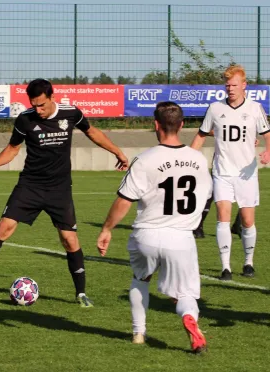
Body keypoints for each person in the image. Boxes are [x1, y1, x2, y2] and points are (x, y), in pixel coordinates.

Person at [0, 78, 129, 307]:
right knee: (3, 228)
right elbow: (12, 149)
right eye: (34, 105)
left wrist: (117, 152)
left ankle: (81, 293)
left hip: (59, 189)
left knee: (69, 239)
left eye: (42, 105)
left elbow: (92, 132)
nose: (38, 110)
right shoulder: (25, 119)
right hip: (30, 186)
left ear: (52, 96)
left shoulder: (71, 114)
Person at [97, 101, 212, 353]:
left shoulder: (145, 159)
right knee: (185, 295)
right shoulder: (199, 160)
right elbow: (205, 197)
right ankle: (188, 319)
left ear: (155, 125)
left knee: (141, 279)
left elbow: (124, 200)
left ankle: (139, 333)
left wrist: (106, 229)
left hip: (147, 235)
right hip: (181, 238)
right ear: (182, 125)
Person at [190, 65, 270, 280]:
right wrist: (187, 158)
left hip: (247, 174)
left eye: (234, 84)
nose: (230, 88)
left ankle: (248, 262)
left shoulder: (255, 108)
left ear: (244, 85)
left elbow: (267, 133)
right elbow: (201, 135)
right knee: (223, 217)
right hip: (222, 171)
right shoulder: (215, 108)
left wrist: (268, 151)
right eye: (227, 85)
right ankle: (225, 267)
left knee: (247, 220)